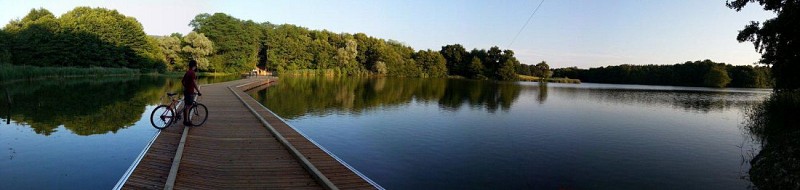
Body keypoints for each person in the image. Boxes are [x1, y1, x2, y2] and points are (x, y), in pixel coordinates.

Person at [182, 60, 201, 126]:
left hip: (186, 91)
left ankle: (185, 121)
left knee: (186, 106)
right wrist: (198, 91)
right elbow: (194, 83)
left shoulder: (187, 72)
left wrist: (186, 87)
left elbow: (183, 81)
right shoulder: (192, 73)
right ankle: (186, 122)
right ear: (194, 66)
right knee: (188, 106)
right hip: (189, 92)